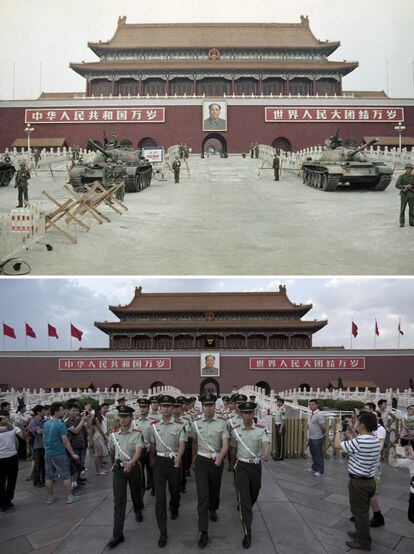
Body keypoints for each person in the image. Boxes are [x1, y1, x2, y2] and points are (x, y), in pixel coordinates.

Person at [334, 411, 381, 551]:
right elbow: (358, 443)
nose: (355, 423)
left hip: (358, 482)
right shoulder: (373, 439)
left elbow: (337, 445)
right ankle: (359, 533)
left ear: (362, 425)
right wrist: (351, 432)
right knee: (362, 510)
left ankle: (364, 541)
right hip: (369, 480)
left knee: (360, 512)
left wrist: (337, 429)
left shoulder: (360, 441)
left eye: (357, 421)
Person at [190, 392, 229, 548]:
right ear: (202, 407)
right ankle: (203, 531)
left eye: (211, 405)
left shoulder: (222, 423)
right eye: (205, 405)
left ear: (214, 406)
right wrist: (193, 460)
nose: (208, 407)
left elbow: (225, 442)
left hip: (216, 461)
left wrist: (221, 455)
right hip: (201, 461)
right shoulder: (196, 424)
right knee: (202, 496)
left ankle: (214, 508)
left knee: (215, 489)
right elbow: (194, 443)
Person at [231, 401, 271, 549]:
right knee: (245, 498)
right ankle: (247, 532)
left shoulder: (260, 429)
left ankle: (246, 506)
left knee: (255, 492)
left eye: (250, 413)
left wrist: (266, 453)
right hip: (241, 466)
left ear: (253, 414)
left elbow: (266, 443)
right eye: (245, 413)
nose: (248, 415)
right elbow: (233, 449)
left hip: (255, 466)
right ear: (241, 414)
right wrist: (232, 464)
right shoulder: (235, 430)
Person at [149, 395, 186, 548]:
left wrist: (178, 457)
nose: (165, 408)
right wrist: (152, 461)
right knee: (160, 498)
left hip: (174, 461)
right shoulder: (153, 425)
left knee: (175, 490)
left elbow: (182, 443)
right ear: (160, 408)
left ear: (172, 408)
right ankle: (163, 531)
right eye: (163, 406)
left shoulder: (179, 425)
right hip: (159, 462)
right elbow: (152, 445)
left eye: (168, 406)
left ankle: (175, 506)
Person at [106, 405, 144, 549]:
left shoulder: (137, 434)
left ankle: (138, 509)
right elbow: (111, 451)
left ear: (131, 418)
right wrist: (114, 466)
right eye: (120, 416)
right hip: (119, 471)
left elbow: (138, 451)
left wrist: (132, 463)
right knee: (119, 502)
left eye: (125, 416)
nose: (122, 419)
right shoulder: (113, 435)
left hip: (133, 469)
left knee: (136, 493)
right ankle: (117, 534)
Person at [43, 402, 81, 505]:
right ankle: (70, 497)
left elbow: (44, 438)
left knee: (49, 476)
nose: (63, 411)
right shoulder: (60, 424)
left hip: (48, 453)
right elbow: (65, 441)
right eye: (61, 410)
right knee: (65, 475)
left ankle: (50, 498)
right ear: (56, 411)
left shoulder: (46, 423)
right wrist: (73, 454)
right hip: (59, 453)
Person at [0, 409, 27, 512]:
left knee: (12, 480)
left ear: (8, 417)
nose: (3, 420)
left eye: (5, 417)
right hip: (1, 458)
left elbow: (24, 437)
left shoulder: (13, 428)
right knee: (1, 482)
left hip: (12, 457)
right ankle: (3, 503)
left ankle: (8, 499)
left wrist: (22, 427)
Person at [64, 403, 87, 492]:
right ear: (69, 411)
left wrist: (84, 420)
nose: (76, 412)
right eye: (73, 410)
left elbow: (84, 429)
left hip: (81, 445)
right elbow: (76, 431)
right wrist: (82, 421)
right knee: (73, 467)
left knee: (79, 466)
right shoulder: (68, 421)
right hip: (73, 447)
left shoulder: (78, 419)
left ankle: (76, 481)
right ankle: (73, 485)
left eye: (77, 410)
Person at [389, 444, 414, 525]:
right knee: (412, 519)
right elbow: (393, 462)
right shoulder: (411, 462)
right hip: (413, 495)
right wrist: (397, 452)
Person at [133, 397, 153, 499]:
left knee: (151, 470)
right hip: (139, 451)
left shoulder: (153, 422)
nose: (142, 409)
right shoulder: (134, 422)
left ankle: (153, 486)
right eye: (141, 407)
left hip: (150, 450)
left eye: (144, 407)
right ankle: (141, 494)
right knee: (140, 473)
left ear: (148, 408)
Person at [307, 399, 326, 476]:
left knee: (319, 455)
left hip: (317, 438)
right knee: (313, 453)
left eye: (312, 404)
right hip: (311, 437)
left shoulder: (319, 414)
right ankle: (314, 467)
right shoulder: (312, 414)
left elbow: (323, 427)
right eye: (310, 404)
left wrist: (322, 435)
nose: (311, 406)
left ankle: (320, 470)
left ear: (317, 405)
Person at [28, 405, 46, 487]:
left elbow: (41, 430)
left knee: (44, 464)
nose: (45, 412)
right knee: (37, 464)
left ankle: (45, 479)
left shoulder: (44, 420)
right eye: (43, 410)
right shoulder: (34, 421)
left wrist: (42, 430)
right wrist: (45, 430)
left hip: (44, 445)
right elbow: (38, 432)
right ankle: (37, 481)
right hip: (37, 445)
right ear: (38, 412)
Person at [395, 163, 414, 227]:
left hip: (412, 195)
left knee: (412, 209)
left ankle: (412, 222)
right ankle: (402, 222)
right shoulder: (402, 176)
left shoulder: (413, 177)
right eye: (408, 168)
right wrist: (405, 186)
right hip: (404, 194)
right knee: (402, 209)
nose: (409, 170)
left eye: (411, 168)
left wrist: (411, 187)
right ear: (406, 169)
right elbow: (397, 185)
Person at [92, 404, 108, 475]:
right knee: (98, 455)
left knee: (101, 454)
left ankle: (100, 468)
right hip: (99, 437)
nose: (104, 410)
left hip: (102, 436)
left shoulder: (102, 417)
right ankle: (98, 470)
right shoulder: (97, 418)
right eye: (102, 408)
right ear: (99, 410)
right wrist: (105, 437)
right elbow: (100, 429)